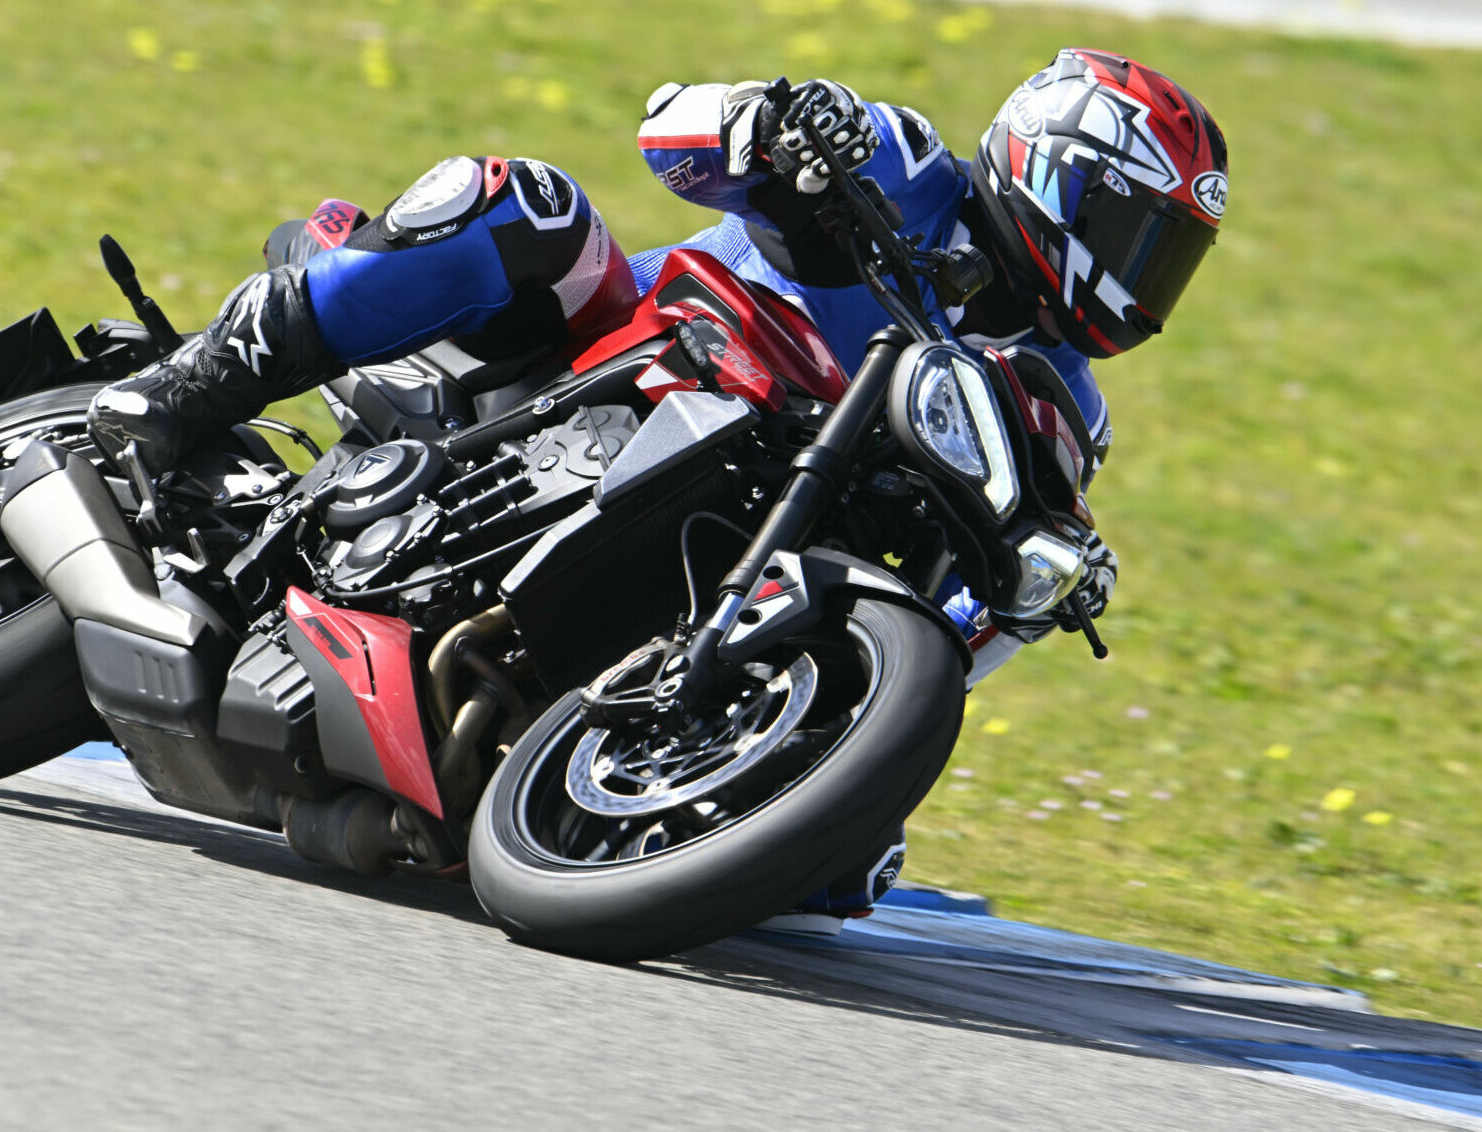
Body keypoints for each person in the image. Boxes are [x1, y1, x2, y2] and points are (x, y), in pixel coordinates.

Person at [88, 47, 1229, 921]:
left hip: (734, 540)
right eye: (1136, 235)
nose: (1144, 280)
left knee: (824, 887)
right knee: (522, 199)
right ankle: (186, 388)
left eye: (1167, 259)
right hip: (592, 366)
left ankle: (700, 753)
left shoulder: (1067, 403)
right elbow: (667, 127)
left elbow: (965, 595)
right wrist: (769, 123)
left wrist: (875, 773)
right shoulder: (902, 163)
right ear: (1059, 174)